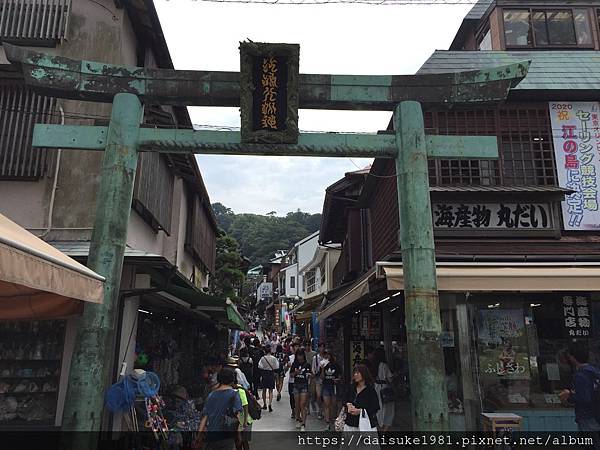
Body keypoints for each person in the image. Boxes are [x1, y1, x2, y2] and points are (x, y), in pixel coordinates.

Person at [559, 342, 600, 447]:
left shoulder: (580, 375)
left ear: (572, 357)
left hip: (587, 416)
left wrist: (569, 395)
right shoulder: (595, 372)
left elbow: (584, 397)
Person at [198, 367, 243, 450]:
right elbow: (238, 416)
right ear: (232, 379)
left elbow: (205, 417)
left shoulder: (211, 395)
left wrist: (198, 436)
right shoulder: (234, 394)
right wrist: (239, 434)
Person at [343, 364, 380, 432]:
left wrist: (360, 411)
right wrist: (348, 404)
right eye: (354, 373)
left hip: (366, 424)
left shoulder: (370, 390)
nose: (355, 375)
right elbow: (344, 399)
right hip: (350, 423)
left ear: (364, 374)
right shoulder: (351, 387)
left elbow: (375, 407)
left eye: (358, 373)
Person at [373, 347, 395, 431]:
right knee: (388, 410)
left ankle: (379, 428)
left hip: (376, 387)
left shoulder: (374, 364)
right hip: (384, 389)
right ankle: (384, 430)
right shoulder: (384, 365)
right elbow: (390, 378)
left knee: (378, 409)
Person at [291, 348, 312, 432]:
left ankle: (303, 423)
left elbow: (311, 374)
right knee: (297, 404)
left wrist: (310, 375)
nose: (300, 357)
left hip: (304, 385)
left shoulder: (307, 364)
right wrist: (296, 372)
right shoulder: (294, 364)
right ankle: (298, 419)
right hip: (296, 385)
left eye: (301, 355)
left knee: (302, 404)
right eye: (298, 355)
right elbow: (291, 375)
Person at [320, 350, 340, 431]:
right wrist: (322, 369)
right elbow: (321, 377)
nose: (327, 356)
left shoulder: (335, 365)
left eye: (328, 355)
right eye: (325, 355)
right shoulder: (323, 365)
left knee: (334, 404)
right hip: (326, 386)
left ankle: (333, 419)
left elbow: (339, 376)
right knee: (327, 404)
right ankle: (327, 422)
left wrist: (337, 380)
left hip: (334, 386)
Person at [258, 345, 279, 412]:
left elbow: (259, 366)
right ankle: (270, 403)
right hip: (271, 374)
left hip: (264, 374)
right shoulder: (274, 358)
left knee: (264, 390)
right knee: (270, 390)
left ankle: (264, 404)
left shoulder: (262, 358)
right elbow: (277, 366)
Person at [235, 373, 253, 450]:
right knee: (238, 441)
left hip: (245, 420)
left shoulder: (240, 390)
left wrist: (245, 422)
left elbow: (245, 406)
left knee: (243, 441)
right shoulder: (233, 391)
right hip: (238, 420)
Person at [310, 342, 326, 420]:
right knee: (319, 396)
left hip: (326, 379)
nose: (322, 349)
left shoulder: (327, 357)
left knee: (325, 396)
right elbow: (313, 369)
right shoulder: (315, 358)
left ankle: (323, 410)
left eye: (323, 347)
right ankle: (320, 409)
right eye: (320, 347)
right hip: (318, 379)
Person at [286, 342, 298, 419]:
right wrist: (287, 366)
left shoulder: (303, 358)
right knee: (292, 397)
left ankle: (298, 412)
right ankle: (293, 411)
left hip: (300, 381)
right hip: (291, 380)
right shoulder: (290, 358)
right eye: (295, 347)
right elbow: (286, 370)